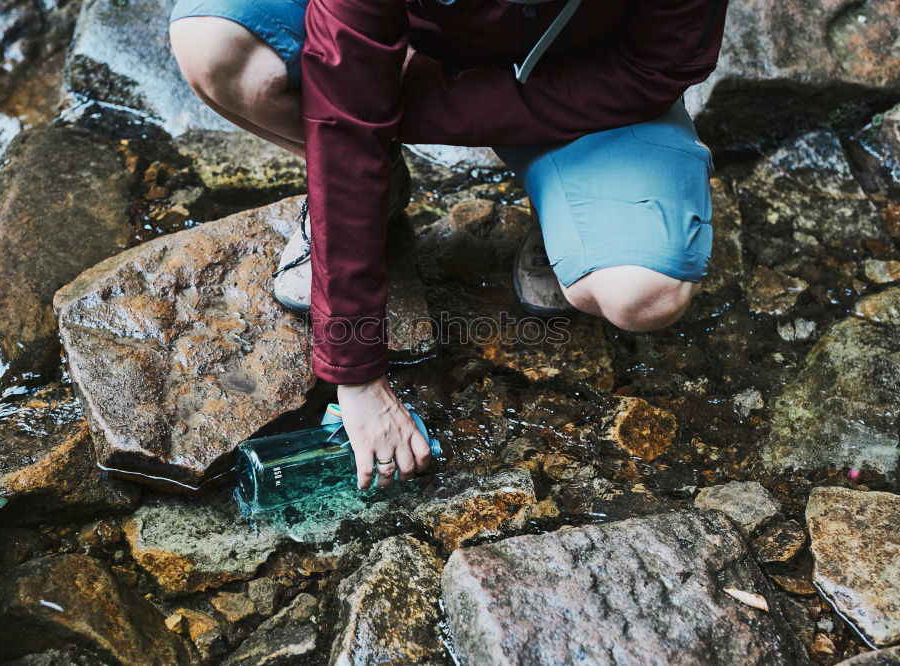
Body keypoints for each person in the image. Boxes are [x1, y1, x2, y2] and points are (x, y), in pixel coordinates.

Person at [168, 0, 727, 491]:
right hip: (415, 39)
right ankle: (375, 186)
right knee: (217, 49)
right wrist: (357, 374)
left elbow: (660, 65)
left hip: (592, 75)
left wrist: (395, 109)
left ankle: (560, 206)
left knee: (640, 293)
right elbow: (344, 111)